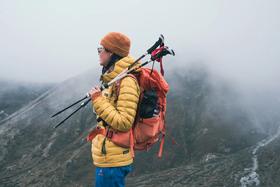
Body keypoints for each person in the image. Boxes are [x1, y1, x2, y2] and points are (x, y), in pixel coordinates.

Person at [89, 32, 140, 187]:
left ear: (112, 53)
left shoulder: (127, 81)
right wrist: (100, 98)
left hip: (113, 161)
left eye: (100, 49)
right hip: (109, 158)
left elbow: (124, 122)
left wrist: (98, 100)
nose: (99, 53)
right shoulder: (114, 79)